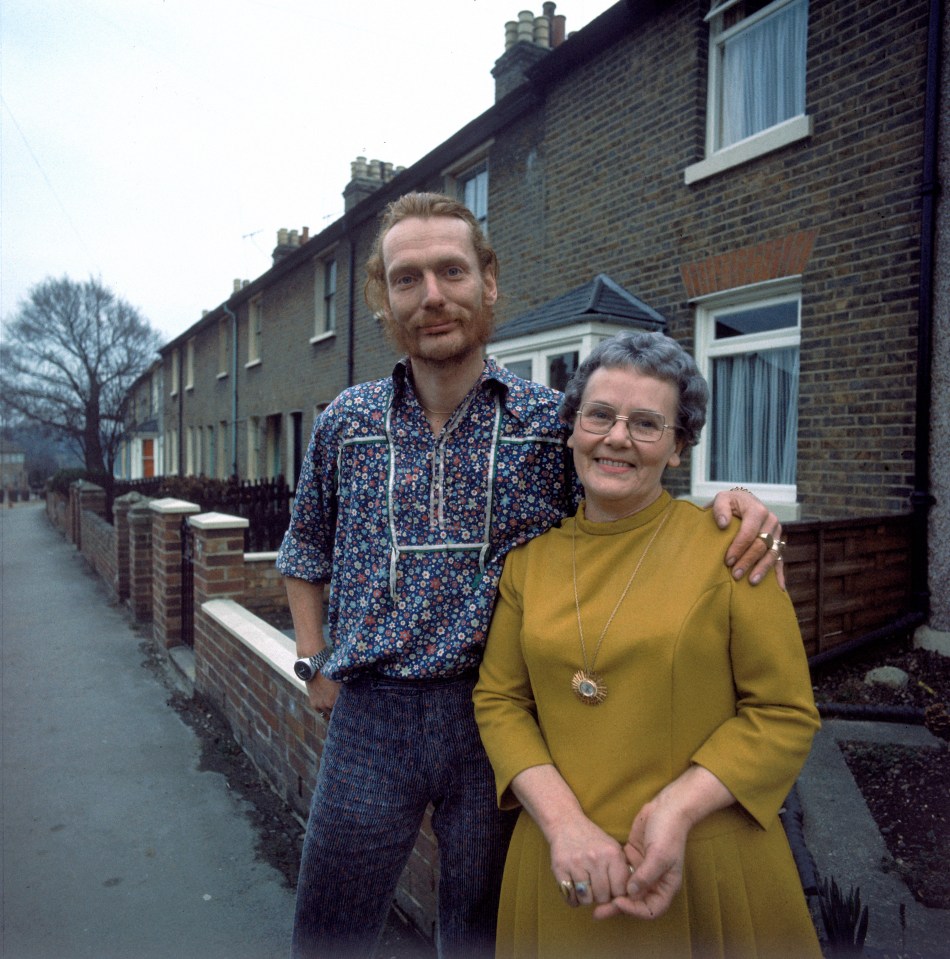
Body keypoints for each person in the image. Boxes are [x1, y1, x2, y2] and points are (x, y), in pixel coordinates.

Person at [276, 193, 785, 959]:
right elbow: (304, 545)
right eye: (407, 278)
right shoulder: (345, 422)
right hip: (369, 715)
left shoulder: (552, 421)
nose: (433, 296)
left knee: (482, 936)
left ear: (489, 282)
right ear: (383, 296)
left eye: (452, 270)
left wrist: (735, 503)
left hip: (496, 716)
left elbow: (630, 489)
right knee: (328, 929)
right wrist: (314, 660)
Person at [472, 330, 821, 959]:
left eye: (646, 423)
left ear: (680, 447)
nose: (616, 438)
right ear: (573, 428)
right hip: (564, 867)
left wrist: (679, 809)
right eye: (599, 415)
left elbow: (784, 712)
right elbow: (499, 702)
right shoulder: (527, 564)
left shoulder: (733, 550)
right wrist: (564, 824)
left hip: (705, 866)